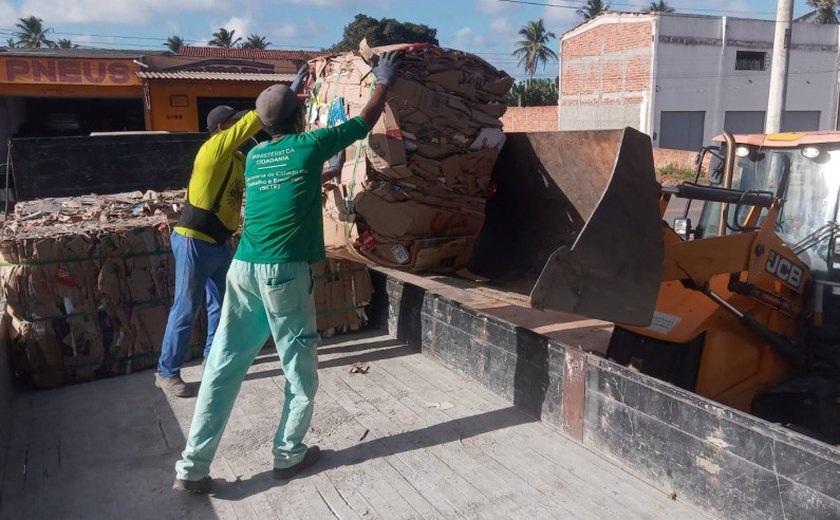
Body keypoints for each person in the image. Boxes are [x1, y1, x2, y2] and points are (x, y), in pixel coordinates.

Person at [172, 51, 403, 494]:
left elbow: (288, 177)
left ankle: (192, 467)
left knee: (222, 367)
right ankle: (288, 453)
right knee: (299, 368)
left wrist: (297, 104)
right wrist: (385, 82)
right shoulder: (308, 145)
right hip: (282, 275)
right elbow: (364, 121)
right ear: (301, 119)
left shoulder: (257, 157)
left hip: (243, 270)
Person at [155, 67, 309, 398]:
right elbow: (253, 122)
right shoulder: (211, 151)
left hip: (219, 242)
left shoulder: (240, 161)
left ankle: (214, 360)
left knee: (221, 304)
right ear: (222, 129)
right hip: (194, 240)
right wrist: (282, 94)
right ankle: (167, 372)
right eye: (235, 125)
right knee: (186, 306)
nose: (245, 130)